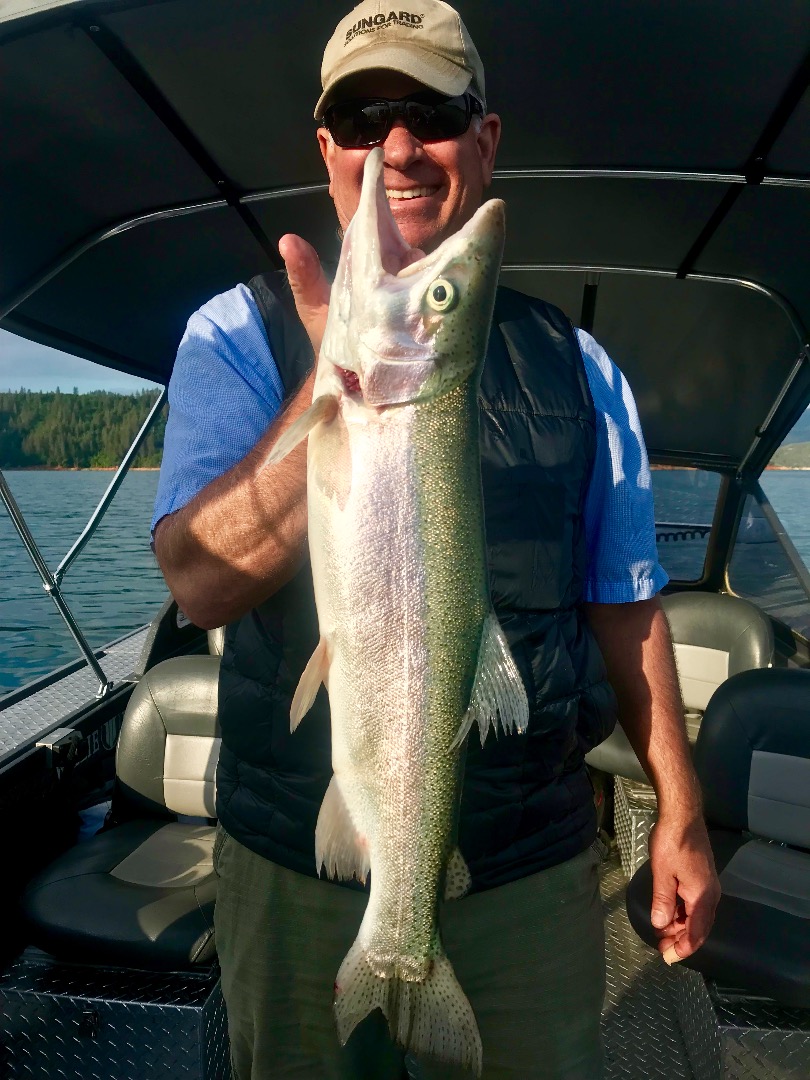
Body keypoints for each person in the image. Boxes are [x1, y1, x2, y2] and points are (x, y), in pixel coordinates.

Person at [152, 2, 721, 1077]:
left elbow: (627, 606)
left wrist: (683, 813)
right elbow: (199, 584)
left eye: (432, 113)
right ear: (327, 151)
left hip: (533, 872)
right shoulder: (232, 335)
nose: (399, 147)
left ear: (485, 140)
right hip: (295, 869)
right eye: (364, 119)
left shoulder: (582, 371)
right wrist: (330, 386)